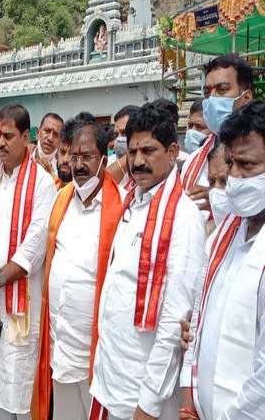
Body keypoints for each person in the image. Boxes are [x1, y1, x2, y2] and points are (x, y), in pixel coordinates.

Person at [90, 100, 205, 420]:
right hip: (112, 378)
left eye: (149, 151)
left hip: (145, 396)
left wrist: (148, 405)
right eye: (133, 152)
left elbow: (174, 320)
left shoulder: (184, 218)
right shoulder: (131, 204)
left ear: (171, 152)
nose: (138, 161)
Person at [31, 118, 124, 420]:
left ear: (104, 159)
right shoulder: (61, 199)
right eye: (74, 157)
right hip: (61, 349)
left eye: (88, 157)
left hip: (96, 357)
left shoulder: (121, 207)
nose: (79, 165)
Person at [179, 100, 265, 420]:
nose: (236, 178)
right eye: (232, 166)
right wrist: (189, 403)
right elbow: (197, 324)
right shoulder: (224, 234)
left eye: (248, 165)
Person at [0, 103, 56, 419]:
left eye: (8, 135)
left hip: (23, 307)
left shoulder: (42, 183)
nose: (0, 142)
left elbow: (33, 248)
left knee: (20, 391)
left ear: (27, 136)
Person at [181, 54, 253, 214]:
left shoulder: (259, 156)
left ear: (246, 97)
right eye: (207, 92)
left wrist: (222, 202)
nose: (212, 99)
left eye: (222, 90)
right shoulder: (192, 161)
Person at [106, 105, 139, 187]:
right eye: (116, 135)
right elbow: (103, 184)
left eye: (124, 133)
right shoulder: (108, 162)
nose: (118, 139)